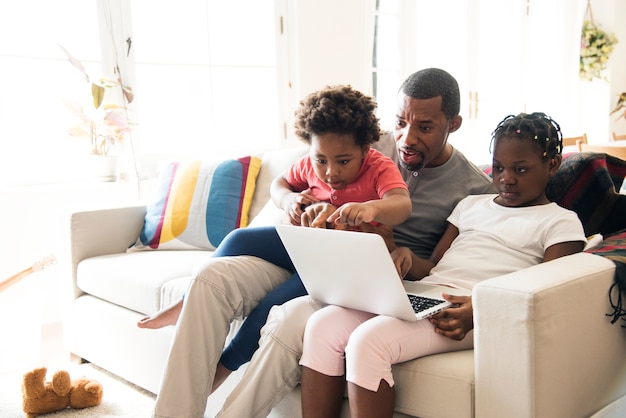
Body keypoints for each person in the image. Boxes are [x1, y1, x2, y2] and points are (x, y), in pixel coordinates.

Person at [212, 67, 495, 418]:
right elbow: (315, 179)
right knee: (258, 292)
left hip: (393, 280)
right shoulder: (368, 144)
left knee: (289, 317)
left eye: (424, 127)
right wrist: (302, 207)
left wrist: (404, 254)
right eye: (401, 123)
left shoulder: (476, 189)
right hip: (335, 252)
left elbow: (451, 263)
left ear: (453, 124)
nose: (407, 138)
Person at [298, 111, 586, 418]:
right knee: (322, 325)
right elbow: (433, 264)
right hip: (429, 292)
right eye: (499, 168)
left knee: (368, 342)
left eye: (520, 169)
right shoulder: (471, 205)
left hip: (471, 308)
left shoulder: (561, 222)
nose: (506, 179)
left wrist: (481, 308)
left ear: (552, 165)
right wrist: (401, 253)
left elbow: (549, 295)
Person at [152, 85, 413, 417]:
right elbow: (280, 185)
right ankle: (187, 299)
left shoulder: (378, 167)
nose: (331, 172)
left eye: (343, 161)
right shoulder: (309, 165)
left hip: (338, 263)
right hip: (304, 244)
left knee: (275, 303)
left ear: (364, 149)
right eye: (322, 160)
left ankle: (226, 365)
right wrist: (288, 200)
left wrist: (372, 209)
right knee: (237, 239)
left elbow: (401, 204)